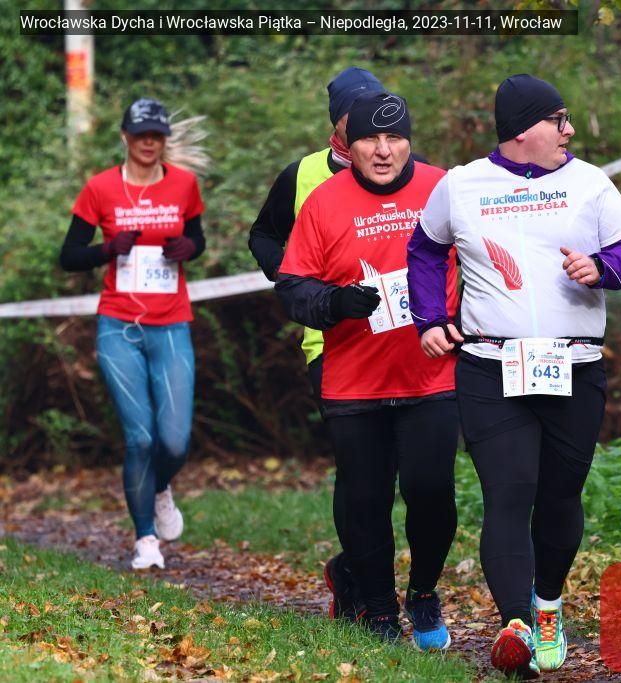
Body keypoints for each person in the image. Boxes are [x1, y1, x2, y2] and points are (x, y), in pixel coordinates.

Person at [407, 74, 621, 678]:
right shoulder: (461, 185)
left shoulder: (590, 182)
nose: (569, 130)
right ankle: (515, 625)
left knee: (560, 497)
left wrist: (602, 267)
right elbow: (425, 250)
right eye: (558, 119)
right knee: (508, 493)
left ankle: (547, 606)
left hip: (574, 367)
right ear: (523, 130)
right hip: (491, 368)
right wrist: (429, 318)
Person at [275, 92, 460, 650]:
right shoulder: (324, 201)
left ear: (409, 141)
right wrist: (334, 304)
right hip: (354, 381)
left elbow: (485, 260)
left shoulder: (444, 188)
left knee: (431, 492)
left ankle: (423, 592)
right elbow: (293, 288)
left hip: (432, 374)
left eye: (394, 138)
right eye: (369, 140)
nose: (383, 151)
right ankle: (379, 610)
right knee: (366, 500)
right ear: (346, 145)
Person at [248, 66, 385, 623]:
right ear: (338, 123)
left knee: (393, 468)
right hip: (327, 344)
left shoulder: (402, 167)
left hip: (395, 338)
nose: (372, 126)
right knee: (357, 467)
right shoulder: (301, 175)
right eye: (359, 116)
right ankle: (361, 586)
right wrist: (293, 275)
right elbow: (262, 234)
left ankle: (353, 566)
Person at [59, 98, 209, 571]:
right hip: (118, 326)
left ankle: (159, 486)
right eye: (141, 134)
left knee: (175, 441)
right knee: (140, 438)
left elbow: (198, 240)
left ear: (164, 140)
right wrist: (107, 249)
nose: (149, 142)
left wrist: (188, 248)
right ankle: (146, 538)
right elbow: (68, 255)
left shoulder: (184, 184)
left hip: (171, 324)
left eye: (156, 135)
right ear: (125, 136)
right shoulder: (100, 188)